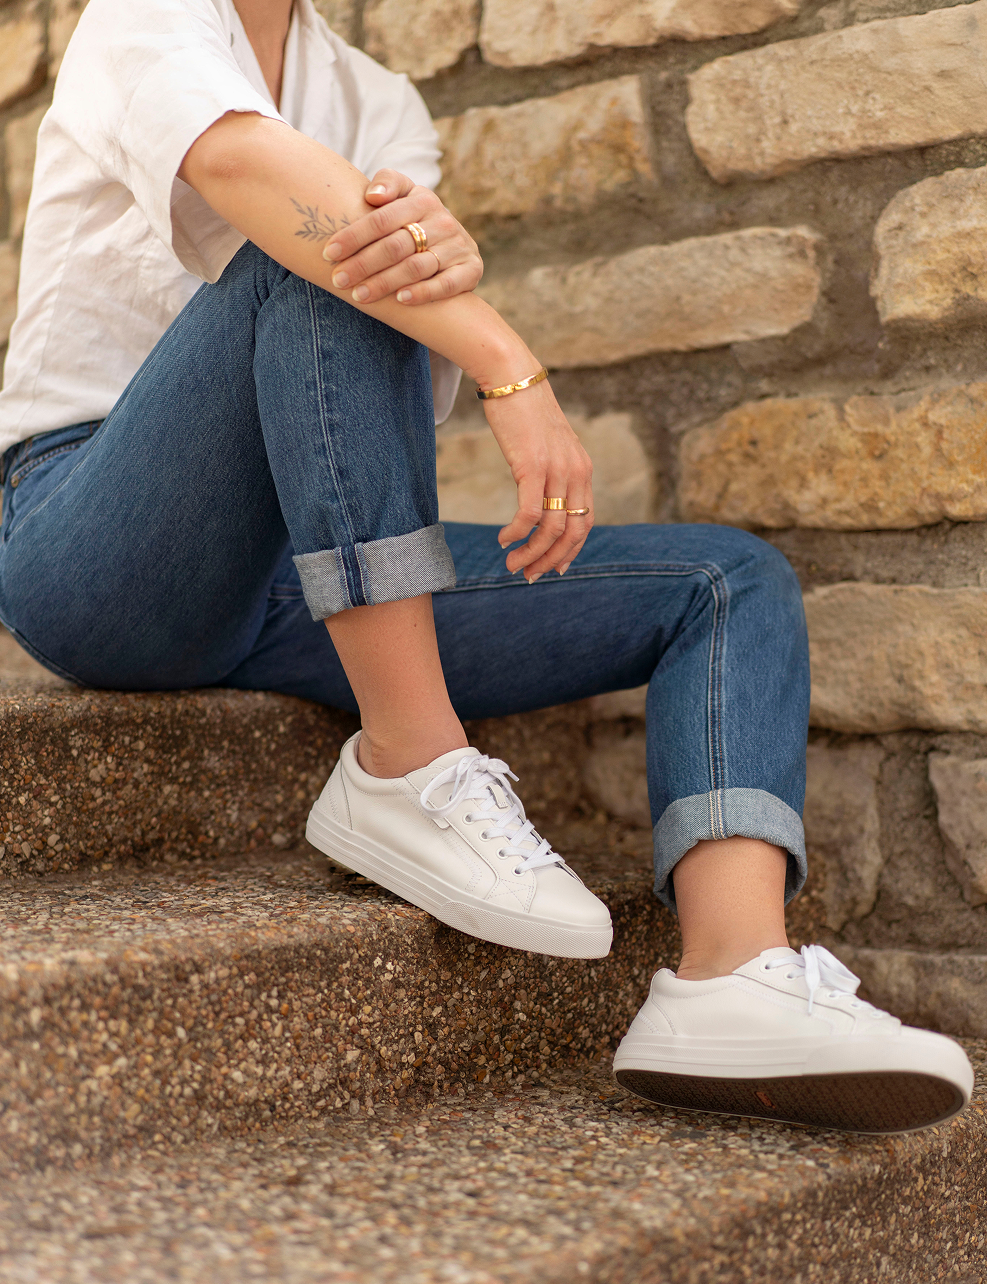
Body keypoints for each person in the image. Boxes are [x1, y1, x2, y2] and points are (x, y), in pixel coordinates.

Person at [0, 0, 971, 1135]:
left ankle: (733, 974)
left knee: (726, 580)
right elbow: (261, 181)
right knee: (316, 255)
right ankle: (408, 762)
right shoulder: (144, 16)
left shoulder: (379, 101)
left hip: (300, 565)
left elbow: (403, 299)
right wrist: (513, 369)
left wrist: (440, 271)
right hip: (94, 543)